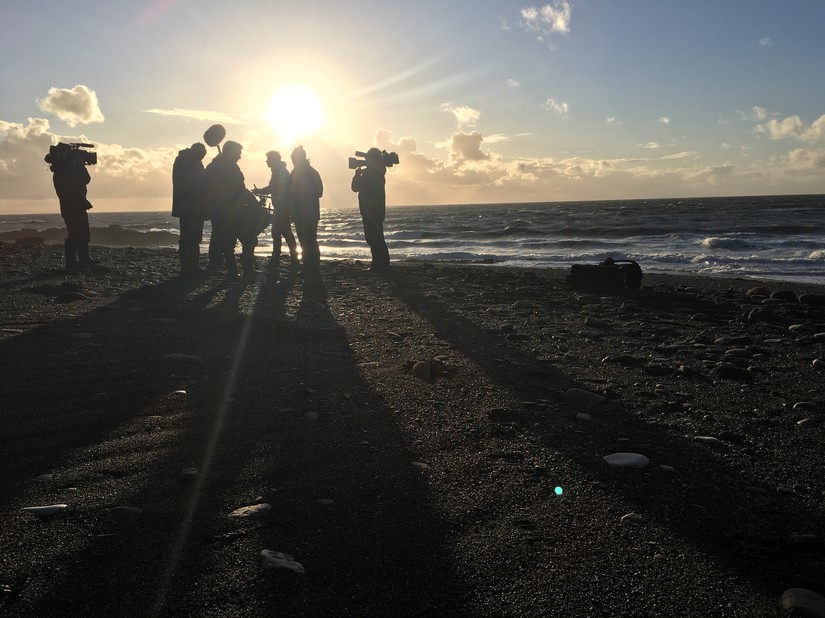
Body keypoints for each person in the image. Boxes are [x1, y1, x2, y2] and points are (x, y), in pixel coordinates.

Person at [204, 140, 263, 279]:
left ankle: (233, 271)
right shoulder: (227, 167)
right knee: (247, 239)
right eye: (239, 153)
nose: (240, 156)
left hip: (220, 210)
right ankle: (245, 270)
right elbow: (239, 190)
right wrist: (254, 203)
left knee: (228, 242)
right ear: (231, 152)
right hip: (231, 210)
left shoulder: (215, 166)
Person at [45, 144, 98, 270]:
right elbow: (85, 179)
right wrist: (80, 166)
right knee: (75, 233)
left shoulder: (63, 171)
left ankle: (84, 258)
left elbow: (83, 180)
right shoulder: (63, 172)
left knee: (84, 232)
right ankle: (71, 262)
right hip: (72, 205)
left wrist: (78, 165)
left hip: (78, 204)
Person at [253, 150, 297, 271]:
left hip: (282, 208)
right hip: (282, 207)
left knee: (279, 233)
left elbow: (276, 189)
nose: (267, 161)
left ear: (274, 160)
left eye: (268, 159)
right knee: (284, 233)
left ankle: (279, 261)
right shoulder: (279, 171)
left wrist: (260, 191)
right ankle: (291, 260)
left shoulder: (280, 172)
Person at [351, 148, 390, 273]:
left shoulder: (371, 174)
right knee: (376, 237)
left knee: (374, 238)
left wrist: (357, 175)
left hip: (370, 210)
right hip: (376, 210)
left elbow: (355, 188)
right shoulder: (379, 172)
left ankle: (380, 264)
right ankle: (380, 263)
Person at [172, 142, 208, 276]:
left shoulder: (182, 161)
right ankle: (190, 267)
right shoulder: (192, 163)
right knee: (192, 238)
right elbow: (199, 185)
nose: (202, 158)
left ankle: (188, 267)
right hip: (194, 206)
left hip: (185, 206)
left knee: (187, 237)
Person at [289, 145, 323, 273]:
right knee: (309, 240)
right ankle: (311, 266)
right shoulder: (312, 172)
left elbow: (318, 192)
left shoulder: (299, 173)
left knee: (306, 240)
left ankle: (311, 266)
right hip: (309, 212)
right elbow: (319, 192)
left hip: (304, 213)